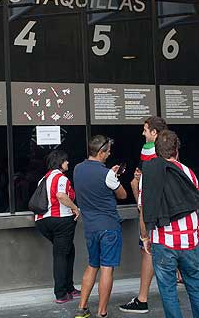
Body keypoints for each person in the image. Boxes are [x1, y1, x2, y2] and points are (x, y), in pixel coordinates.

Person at [139, 130, 199, 318]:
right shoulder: (189, 172)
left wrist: (145, 236)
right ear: (176, 150)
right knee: (196, 286)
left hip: (162, 241)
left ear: (156, 151)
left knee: (168, 291)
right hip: (189, 241)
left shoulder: (149, 174)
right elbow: (194, 204)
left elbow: (144, 208)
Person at [73, 135, 127, 318]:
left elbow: (92, 184)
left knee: (92, 265)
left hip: (90, 227)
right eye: (108, 152)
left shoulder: (77, 169)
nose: (109, 154)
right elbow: (122, 194)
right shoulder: (107, 174)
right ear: (101, 152)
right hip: (109, 226)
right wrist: (114, 176)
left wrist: (110, 175)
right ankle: (102, 312)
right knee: (106, 269)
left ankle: (82, 308)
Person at [120, 115, 167, 314]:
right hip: (153, 212)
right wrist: (135, 184)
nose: (142, 133)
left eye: (145, 129)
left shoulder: (158, 156)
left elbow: (148, 193)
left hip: (152, 215)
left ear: (154, 133)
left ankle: (142, 299)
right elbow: (138, 187)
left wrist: (143, 220)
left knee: (149, 250)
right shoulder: (155, 154)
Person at [34, 149, 81, 304]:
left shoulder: (43, 178)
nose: (68, 163)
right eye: (66, 160)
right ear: (60, 162)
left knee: (68, 250)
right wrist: (75, 207)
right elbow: (61, 195)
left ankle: (69, 287)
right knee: (61, 254)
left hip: (42, 221)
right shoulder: (61, 178)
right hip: (61, 220)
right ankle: (61, 293)